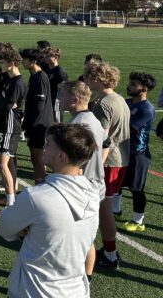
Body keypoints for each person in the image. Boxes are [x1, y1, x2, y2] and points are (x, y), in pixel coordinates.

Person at [0, 124, 99, 298]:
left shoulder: (36, 196)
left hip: (34, 291)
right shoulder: (93, 194)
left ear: (61, 156)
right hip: (75, 291)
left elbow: (4, 227)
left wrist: (25, 229)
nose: (44, 148)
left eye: (48, 144)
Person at [84, 61, 129, 269]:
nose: (86, 80)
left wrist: (96, 166)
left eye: (88, 77)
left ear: (98, 79)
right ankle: (108, 251)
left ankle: (109, 254)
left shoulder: (104, 104)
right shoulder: (118, 99)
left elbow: (102, 139)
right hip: (119, 160)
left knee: (103, 208)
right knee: (105, 207)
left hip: (109, 162)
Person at [59, 80, 105, 278]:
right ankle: (86, 275)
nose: (59, 99)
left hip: (82, 188)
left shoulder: (79, 125)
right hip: (90, 185)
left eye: (62, 95)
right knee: (85, 236)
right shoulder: (91, 119)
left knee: (80, 237)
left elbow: (73, 162)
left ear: (74, 99)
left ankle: (83, 276)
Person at [120, 71, 156, 233]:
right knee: (118, 183)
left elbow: (128, 128)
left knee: (136, 188)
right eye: (130, 83)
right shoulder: (127, 102)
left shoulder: (146, 109)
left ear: (145, 88)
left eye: (134, 84)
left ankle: (138, 220)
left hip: (138, 154)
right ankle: (115, 211)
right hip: (123, 151)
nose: (129, 86)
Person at [0, 46, 26, 210]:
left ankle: (10, 204)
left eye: (3, 62)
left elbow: (9, 106)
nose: (0, 65)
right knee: (9, 162)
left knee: (2, 164)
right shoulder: (8, 79)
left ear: (12, 63)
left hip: (9, 126)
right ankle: (10, 198)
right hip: (2, 123)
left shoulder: (18, 82)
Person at [20, 48, 55, 184]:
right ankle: (40, 184)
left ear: (33, 61)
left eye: (25, 59)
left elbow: (39, 107)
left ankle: (41, 186)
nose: (22, 61)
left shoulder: (40, 78)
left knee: (37, 158)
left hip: (39, 125)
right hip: (36, 124)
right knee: (37, 158)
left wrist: (29, 124)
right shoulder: (34, 76)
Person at [42, 47, 68, 121]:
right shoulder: (46, 69)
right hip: (47, 102)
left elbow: (64, 91)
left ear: (55, 58)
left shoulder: (60, 73)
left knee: (57, 124)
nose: (45, 58)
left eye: (48, 56)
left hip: (56, 104)